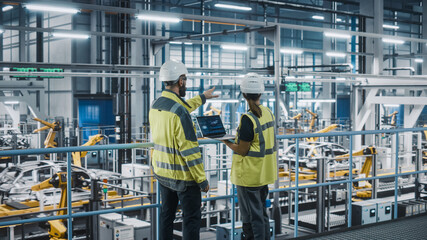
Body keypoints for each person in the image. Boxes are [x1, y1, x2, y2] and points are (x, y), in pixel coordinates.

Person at [149, 59, 218, 240]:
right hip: (184, 178)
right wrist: (202, 180)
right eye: (185, 80)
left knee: (166, 217)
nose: (185, 83)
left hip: (163, 174)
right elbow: (190, 152)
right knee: (191, 219)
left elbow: (182, 107)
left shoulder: (156, 105)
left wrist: (203, 98)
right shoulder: (179, 112)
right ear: (180, 80)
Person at [222, 73, 277, 240]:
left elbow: (242, 150)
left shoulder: (248, 119)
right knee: (261, 214)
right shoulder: (268, 112)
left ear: (244, 94)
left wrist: (225, 141)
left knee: (252, 218)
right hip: (264, 174)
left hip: (249, 177)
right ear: (260, 93)